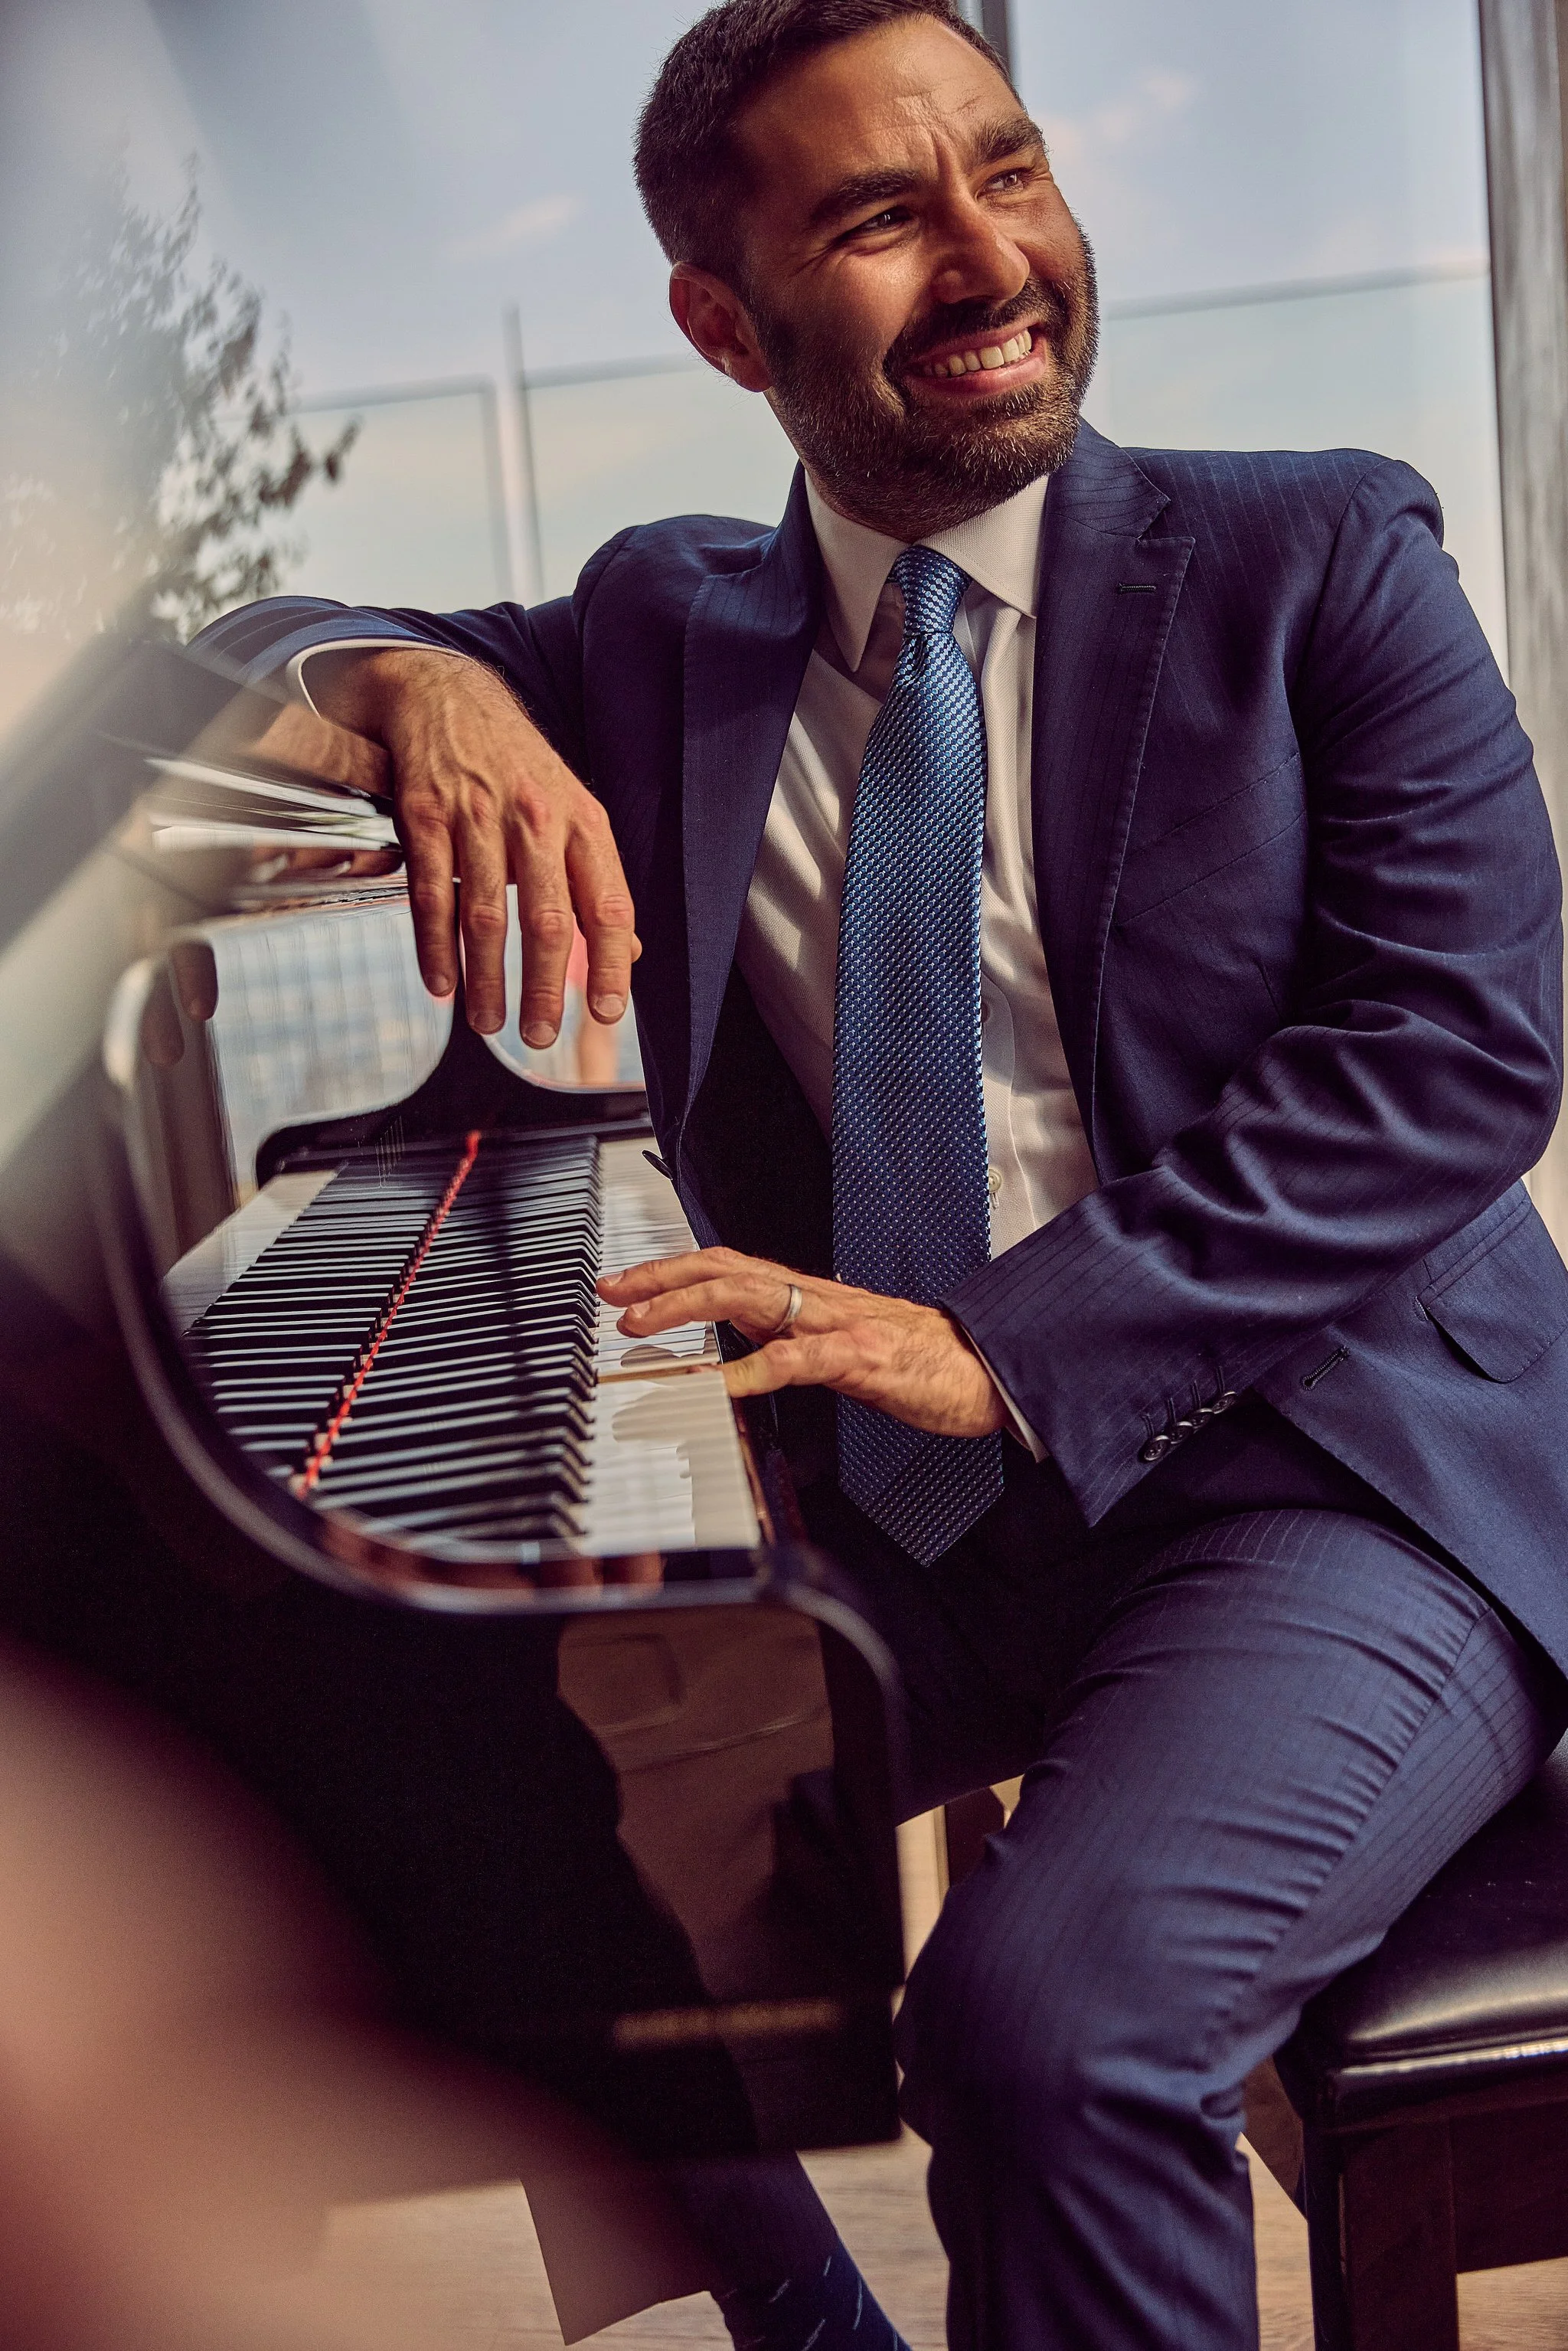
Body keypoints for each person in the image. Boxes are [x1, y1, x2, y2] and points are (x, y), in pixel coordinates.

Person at [199, 2, 1568, 2343]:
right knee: (470, 1824)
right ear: (721, 323)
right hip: (931, 1532)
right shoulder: (666, 631)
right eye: (879, 215)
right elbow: (224, 641)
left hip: (1341, 1483)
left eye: (1009, 170)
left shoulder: (1323, 551)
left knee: (1047, 2035)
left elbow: (1456, 1056)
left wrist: (986, 1344)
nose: (992, 256)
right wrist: (413, 685)